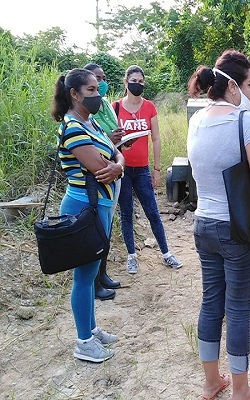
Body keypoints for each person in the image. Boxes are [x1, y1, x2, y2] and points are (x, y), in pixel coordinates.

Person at [187, 50, 250, 400]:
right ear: (232, 86)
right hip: (236, 231)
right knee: (237, 308)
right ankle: (242, 391)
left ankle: (211, 382)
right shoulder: (243, 120)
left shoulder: (196, 120)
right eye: (248, 84)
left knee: (211, 303)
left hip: (203, 224)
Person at [50, 68, 125, 362]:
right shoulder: (73, 128)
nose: (98, 95)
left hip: (98, 207)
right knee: (83, 277)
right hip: (83, 209)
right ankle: (84, 342)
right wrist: (116, 164)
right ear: (74, 94)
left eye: (97, 89)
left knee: (91, 272)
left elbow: (114, 154)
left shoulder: (90, 122)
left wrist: (118, 164)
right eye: (92, 90)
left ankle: (91, 330)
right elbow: (99, 167)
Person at [113, 65, 182, 274]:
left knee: (152, 212)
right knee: (127, 212)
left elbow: (156, 138)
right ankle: (132, 256)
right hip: (123, 170)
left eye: (141, 81)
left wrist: (157, 169)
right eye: (134, 80)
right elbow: (109, 138)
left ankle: (166, 253)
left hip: (142, 169)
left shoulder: (150, 107)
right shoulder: (115, 107)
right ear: (126, 82)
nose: (138, 84)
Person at [83, 62, 125, 300]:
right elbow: (98, 159)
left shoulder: (99, 112)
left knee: (106, 229)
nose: (100, 85)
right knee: (97, 232)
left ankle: (103, 274)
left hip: (110, 177)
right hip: (93, 187)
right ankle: (96, 281)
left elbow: (110, 147)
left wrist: (118, 161)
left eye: (102, 79)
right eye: (95, 82)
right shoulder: (78, 123)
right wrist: (116, 163)